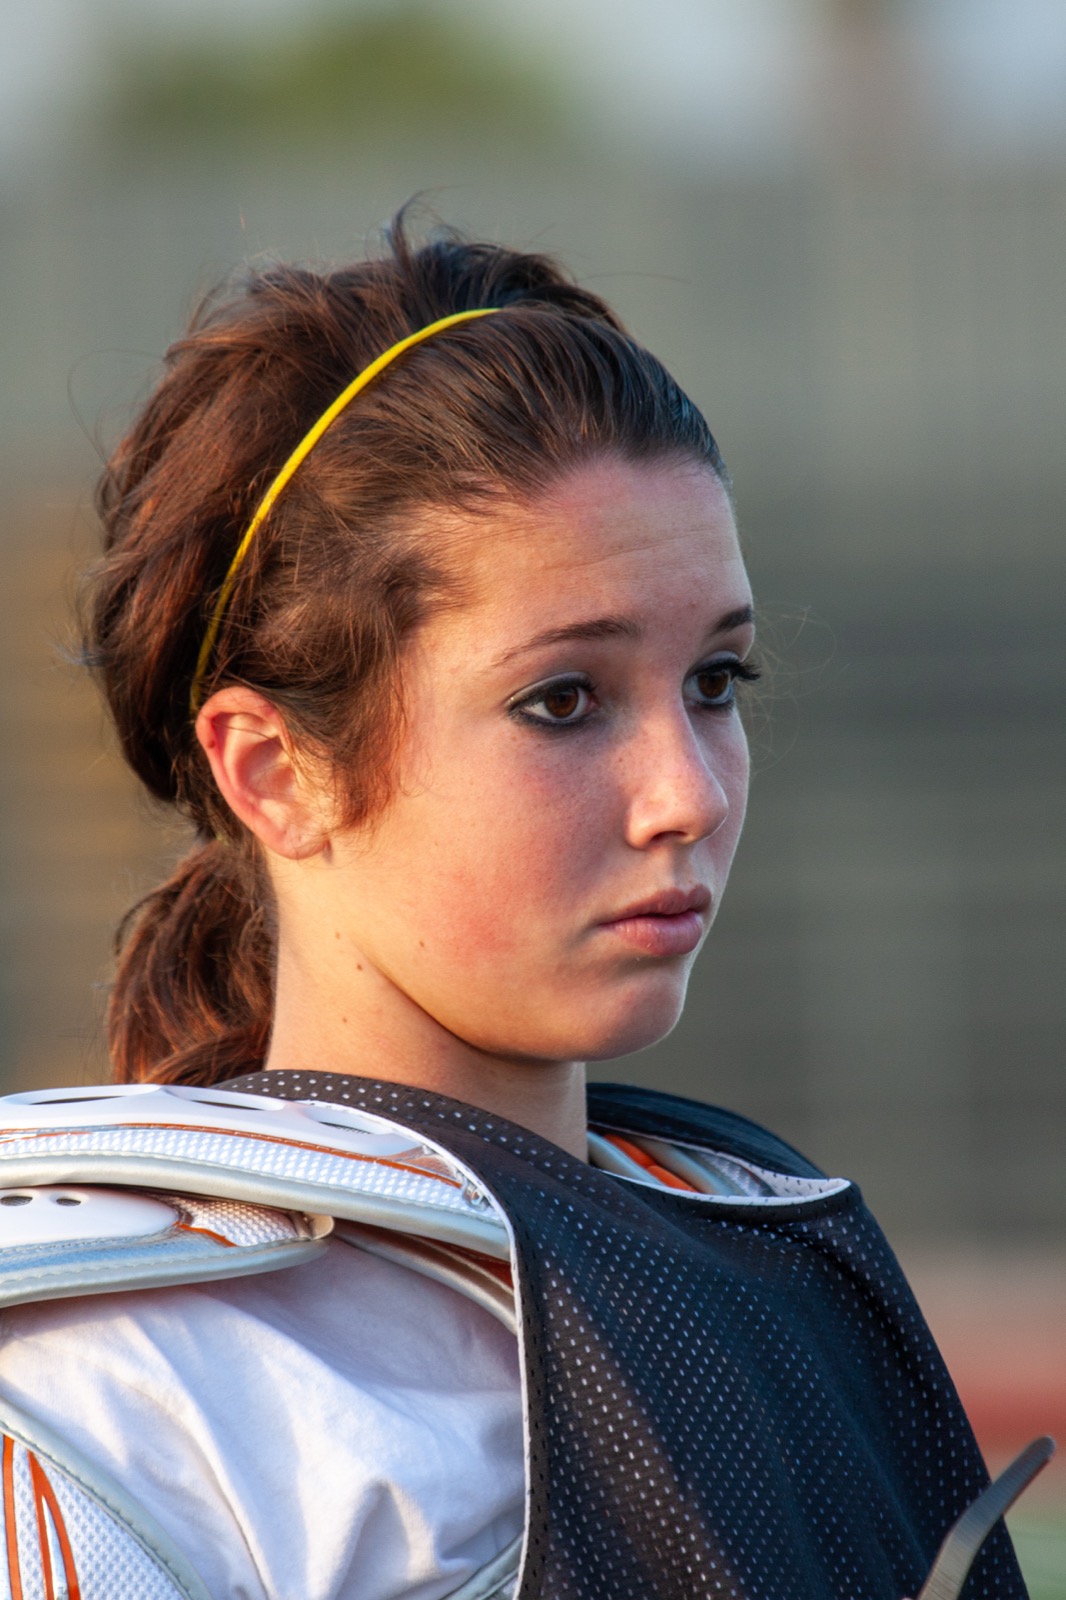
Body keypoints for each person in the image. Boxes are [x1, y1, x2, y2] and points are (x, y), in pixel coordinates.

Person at [0, 216, 1037, 1600]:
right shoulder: (106, 1399)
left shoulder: (784, 1275)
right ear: (276, 772)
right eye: (563, 701)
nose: (687, 794)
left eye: (715, 683)